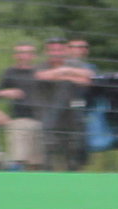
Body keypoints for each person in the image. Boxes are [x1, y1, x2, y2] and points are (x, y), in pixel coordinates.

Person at [33, 37, 93, 171]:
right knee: (66, 86)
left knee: (66, 88)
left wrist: (61, 73)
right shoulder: (41, 65)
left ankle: (73, 163)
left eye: (59, 49)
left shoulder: (75, 63)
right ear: (47, 52)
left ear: (65, 50)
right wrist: (69, 74)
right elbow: (42, 76)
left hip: (70, 114)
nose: (56, 53)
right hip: (48, 112)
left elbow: (87, 78)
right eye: (52, 50)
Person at [0, 42, 44, 170]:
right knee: (18, 159)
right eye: (20, 53)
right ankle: (15, 186)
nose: (24, 56)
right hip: (19, 120)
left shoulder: (41, 73)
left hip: (41, 121)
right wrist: (6, 92)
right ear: (15, 55)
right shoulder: (9, 72)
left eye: (28, 53)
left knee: (38, 162)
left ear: (34, 56)